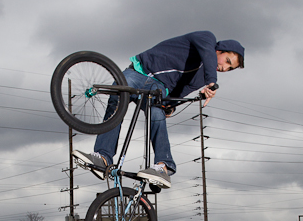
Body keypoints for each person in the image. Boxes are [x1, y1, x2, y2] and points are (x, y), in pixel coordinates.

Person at [73, 30, 244, 189]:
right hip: (139, 72)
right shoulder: (207, 39)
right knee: (118, 96)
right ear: (220, 50)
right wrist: (212, 82)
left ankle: (163, 167)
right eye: (227, 61)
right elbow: (208, 56)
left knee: (156, 113)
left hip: (157, 87)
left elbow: (181, 91)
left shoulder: (201, 77)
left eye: (229, 69)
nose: (224, 68)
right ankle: (103, 157)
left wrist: (170, 107)